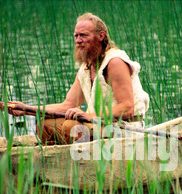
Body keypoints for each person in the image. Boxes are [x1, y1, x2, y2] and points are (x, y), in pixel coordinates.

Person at [8, 12, 149, 145]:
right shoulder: (86, 68)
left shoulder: (115, 62)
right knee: (45, 124)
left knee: (71, 127)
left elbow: (128, 108)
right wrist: (25, 109)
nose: (78, 41)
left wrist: (90, 116)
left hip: (126, 129)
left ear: (101, 36)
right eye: (76, 36)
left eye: (83, 35)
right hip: (98, 124)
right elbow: (67, 105)